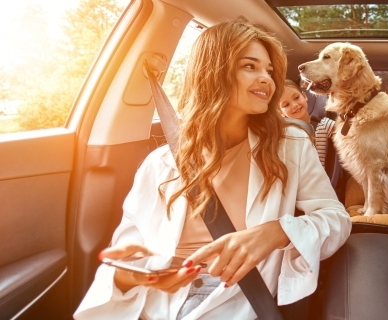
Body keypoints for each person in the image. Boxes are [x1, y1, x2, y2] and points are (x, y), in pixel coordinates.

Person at [74, 20, 351, 319]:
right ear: (213, 71)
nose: (267, 80)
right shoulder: (160, 163)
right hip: (156, 305)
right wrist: (137, 276)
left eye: (269, 71)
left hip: (237, 298)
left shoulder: (290, 145)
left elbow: (336, 220)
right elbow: (128, 254)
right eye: (250, 66)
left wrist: (277, 231)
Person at [279, 79, 335, 168]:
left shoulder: (323, 124)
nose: (294, 105)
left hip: (320, 178)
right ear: (280, 113)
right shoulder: (286, 135)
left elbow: (346, 132)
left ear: (304, 96)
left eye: (296, 98)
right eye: (286, 105)